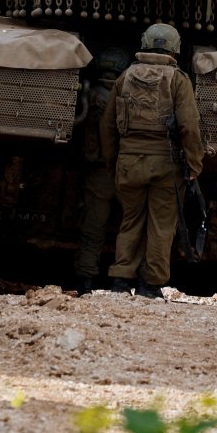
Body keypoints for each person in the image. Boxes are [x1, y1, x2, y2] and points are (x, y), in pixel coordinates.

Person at [101, 24, 204, 298]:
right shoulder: (178, 80)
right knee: (162, 225)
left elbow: (108, 126)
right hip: (166, 166)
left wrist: (113, 162)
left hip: (129, 162)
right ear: (174, 49)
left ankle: (121, 280)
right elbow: (189, 127)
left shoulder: (125, 77)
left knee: (131, 220)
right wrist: (194, 165)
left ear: (145, 44)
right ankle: (151, 285)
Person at [73, 48, 130, 295]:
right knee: (130, 230)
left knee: (92, 230)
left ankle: (85, 281)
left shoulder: (90, 94)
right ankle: (122, 282)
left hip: (98, 173)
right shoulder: (129, 95)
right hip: (127, 173)